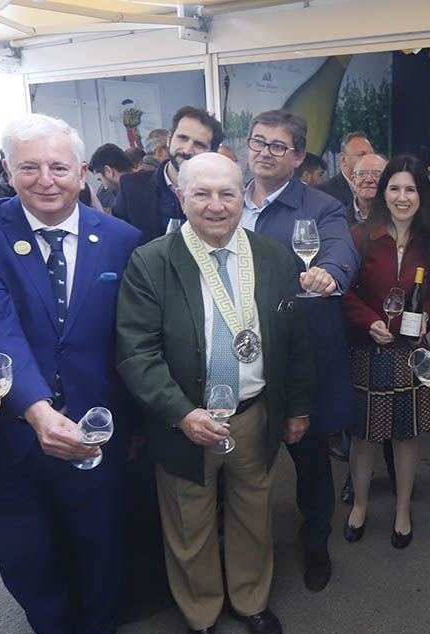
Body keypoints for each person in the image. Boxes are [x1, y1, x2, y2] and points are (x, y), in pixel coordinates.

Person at [0, 113, 145, 634]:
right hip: (11, 429)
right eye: (29, 166)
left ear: (83, 173)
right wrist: (34, 410)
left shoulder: (122, 238)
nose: (46, 179)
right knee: (26, 550)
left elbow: (128, 339)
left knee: (99, 538)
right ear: (7, 171)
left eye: (60, 166)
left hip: (97, 429)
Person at [116, 152, 314, 634]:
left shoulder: (272, 257)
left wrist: (295, 408)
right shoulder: (152, 262)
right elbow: (136, 353)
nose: (215, 205)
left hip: (254, 416)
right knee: (189, 523)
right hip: (187, 422)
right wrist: (181, 413)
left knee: (254, 514)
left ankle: (251, 601)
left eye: (227, 193)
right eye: (201, 193)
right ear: (181, 198)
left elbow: (294, 341)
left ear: (242, 196)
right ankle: (201, 616)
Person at [239, 108, 359, 592]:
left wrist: (330, 273)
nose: (265, 153)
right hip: (241, 356)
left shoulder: (322, 206)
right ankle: (246, 559)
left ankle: (314, 545)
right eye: (258, 142)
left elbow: (340, 250)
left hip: (300, 360)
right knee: (246, 463)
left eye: (278, 146)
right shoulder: (229, 201)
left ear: (299, 156)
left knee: (310, 464)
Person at [342, 155, 430, 548]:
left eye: (411, 189)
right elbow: (344, 292)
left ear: (421, 194)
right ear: (384, 192)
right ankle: (361, 504)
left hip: (411, 353)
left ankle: (402, 508)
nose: (402, 197)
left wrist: (427, 319)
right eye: (395, 188)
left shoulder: (429, 240)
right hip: (369, 348)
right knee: (364, 435)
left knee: (406, 434)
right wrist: (368, 320)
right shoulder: (360, 235)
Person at [113, 105, 224, 238]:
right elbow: (117, 241)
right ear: (169, 139)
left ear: (212, 152)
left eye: (199, 144)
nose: (187, 150)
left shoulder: (221, 196)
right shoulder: (132, 187)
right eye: (182, 138)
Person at [316, 131, 373, 216]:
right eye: (362, 155)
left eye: (371, 155)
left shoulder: (380, 190)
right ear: (343, 159)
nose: (369, 160)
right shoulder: (323, 193)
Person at [89, 143, 136, 213]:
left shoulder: (129, 200)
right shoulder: (149, 182)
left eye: (101, 180)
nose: (105, 187)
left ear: (108, 171)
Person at [349, 153, 387, 224]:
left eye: (377, 174)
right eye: (362, 174)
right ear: (353, 181)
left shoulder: (397, 217)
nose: (368, 180)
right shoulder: (338, 216)